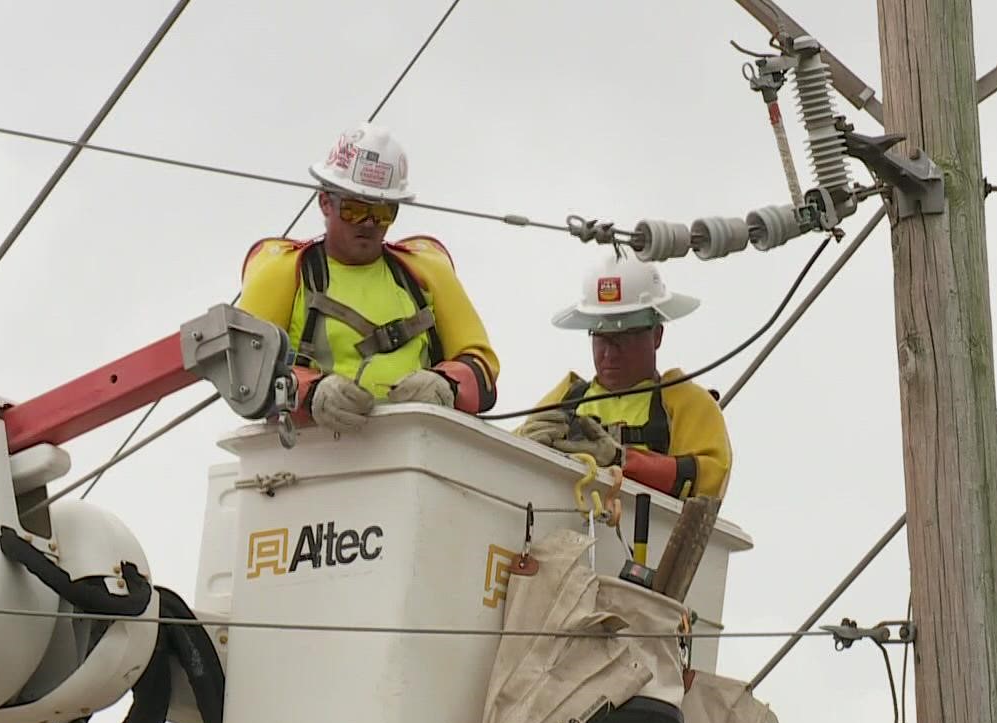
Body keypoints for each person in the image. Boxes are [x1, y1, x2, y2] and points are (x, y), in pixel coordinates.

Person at [238, 123, 499, 434]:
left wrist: (446, 384)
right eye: (354, 210)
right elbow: (242, 373)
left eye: (383, 213)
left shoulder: (426, 274)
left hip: (417, 450)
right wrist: (309, 392)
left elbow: (482, 367)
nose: (370, 224)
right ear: (325, 202)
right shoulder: (284, 274)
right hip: (311, 456)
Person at [519, 256, 732, 499]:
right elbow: (500, 456)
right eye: (601, 337)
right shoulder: (567, 397)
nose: (610, 353)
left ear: (656, 336)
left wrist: (622, 461)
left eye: (624, 337)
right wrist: (526, 446)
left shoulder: (686, 403)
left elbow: (708, 480)